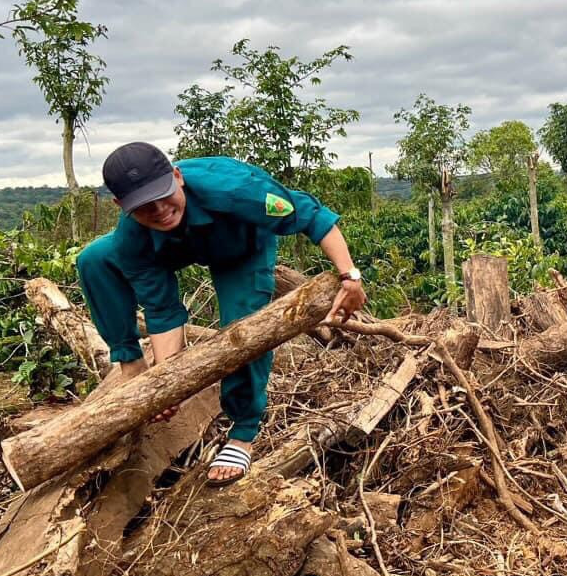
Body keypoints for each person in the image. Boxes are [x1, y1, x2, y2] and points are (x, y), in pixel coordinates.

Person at [76, 143, 366, 486]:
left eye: (163, 195)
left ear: (177, 177)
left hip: (241, 251)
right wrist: (164, 385)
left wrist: (350, 276)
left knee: (242, 331)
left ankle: (243, 432)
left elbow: (313, 217)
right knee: (94, 259)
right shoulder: (133, 234)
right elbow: (163, 309)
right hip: (171, 247)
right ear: (120, 206)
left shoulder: (239, 190)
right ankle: (131, 364)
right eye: (142, 207)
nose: (158, 210)